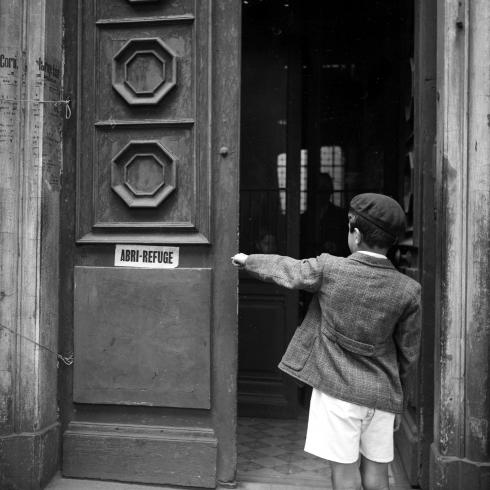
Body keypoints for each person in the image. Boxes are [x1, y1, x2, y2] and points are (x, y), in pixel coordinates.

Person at [232, 193, 421, 490]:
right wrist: (398, 403)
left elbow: (290, 270)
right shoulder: (408, 289)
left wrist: (248, 261)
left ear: (355, 235)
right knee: (377, 475)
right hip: (382, 395)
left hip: (338, 393)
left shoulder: (330, 268)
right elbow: (409, 354)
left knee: (345, 476)